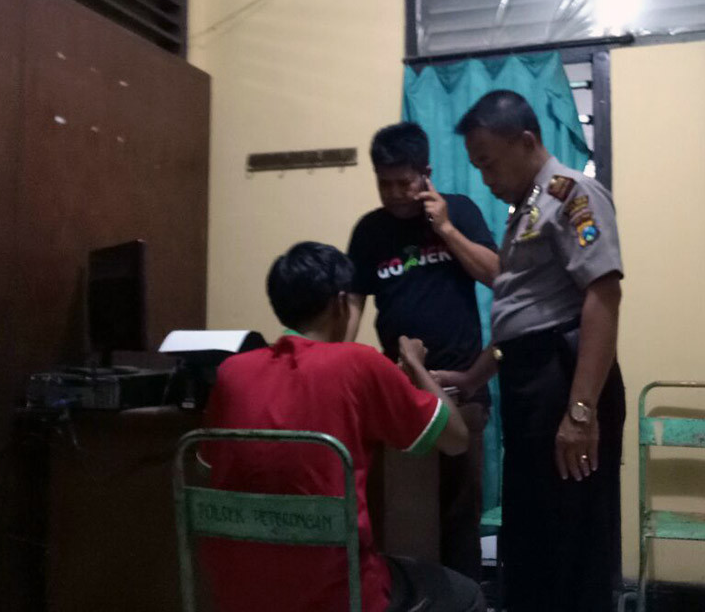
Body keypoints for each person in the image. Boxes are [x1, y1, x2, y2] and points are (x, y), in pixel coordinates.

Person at [199, 242, 486, 612]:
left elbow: (207, 465)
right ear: (339, 303)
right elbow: (457, 439)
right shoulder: (358, 363)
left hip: (237, 595)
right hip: (339, 594)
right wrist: (414, 363)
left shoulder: (232, 372)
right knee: (468, 595)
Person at [437, 90, 626, 612]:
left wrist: (581, 413)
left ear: (525, 142)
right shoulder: (527, 209)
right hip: (533, 382)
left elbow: (603, 296)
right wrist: (472, 378)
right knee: (535, 530)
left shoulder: (574, 195)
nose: (484, 179)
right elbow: (521, 321)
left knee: (571, 534)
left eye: (489, 163)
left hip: (563, 382)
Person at [345, 122, 499, 582]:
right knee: (399, 512)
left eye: (404, 182)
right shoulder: (369, 231)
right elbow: (353, 304)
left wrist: (445, 228)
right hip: (398, 390)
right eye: (384, 183)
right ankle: (410, 596)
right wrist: (334, 362)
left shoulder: (460, 210)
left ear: (425, 173)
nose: (394, 194)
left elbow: (497, 275)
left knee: (459, 510)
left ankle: (465, 599)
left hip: (461, 388)